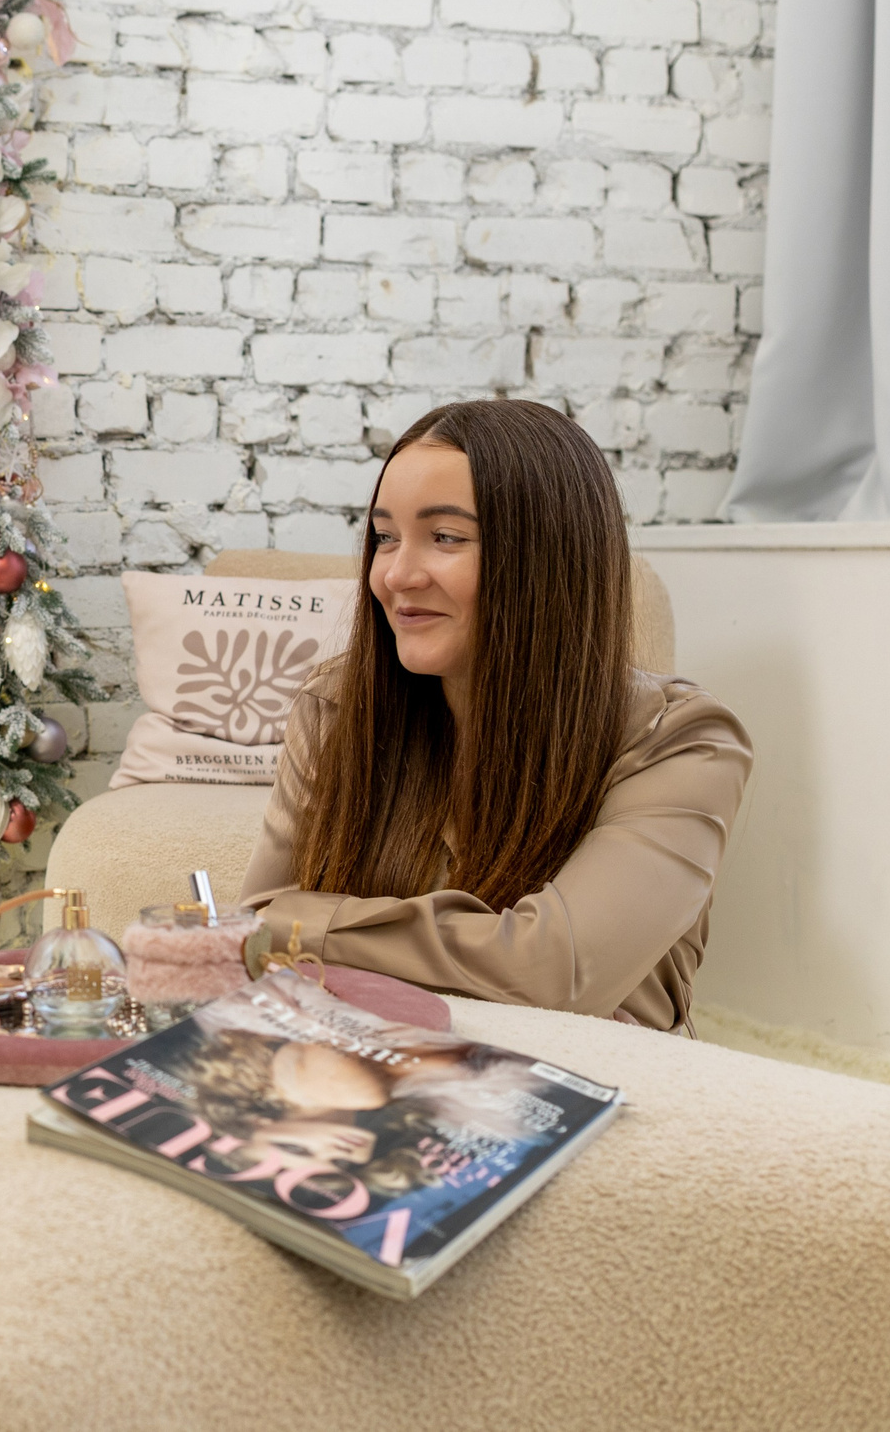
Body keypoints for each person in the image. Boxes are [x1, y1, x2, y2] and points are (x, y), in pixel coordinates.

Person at [238, 398, 754, 1033]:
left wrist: (304, 923)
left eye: (445, 537)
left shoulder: (683, 741)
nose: (395, 575)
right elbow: (256, 928)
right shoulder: (337, 706)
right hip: (376, 1057)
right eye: (385, 537)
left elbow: (557, 974)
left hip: (594, 1079)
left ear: (548, 559)